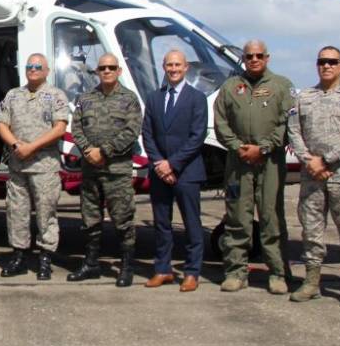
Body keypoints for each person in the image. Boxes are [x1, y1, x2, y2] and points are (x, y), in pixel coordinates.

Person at [286, 46, 340, 306]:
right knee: (311, 231)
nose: (327, 66)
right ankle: (311, 282)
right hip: (312, 177)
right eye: (322, 61)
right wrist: (309, 160)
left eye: (332, 62)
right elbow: (293, 131)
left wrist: (326, 159)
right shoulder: (304, 97)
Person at [213, 40, 295, 295]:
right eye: (249, 56)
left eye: (259, 55)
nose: (254, 59)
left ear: (267, 58)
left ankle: (278, 272)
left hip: (270, 161)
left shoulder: (281, 86)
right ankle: (236, 271)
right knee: (237, 217)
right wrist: (238, 146)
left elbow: (288, 122)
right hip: (238, 162)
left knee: (271, 217)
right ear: (244, 59)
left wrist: (265, 148)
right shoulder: (230, 87)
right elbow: (221, 122)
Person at [67, 53, 143, 286]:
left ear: (119, 71)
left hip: (117, 170)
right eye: (102, 68)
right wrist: (89, 150)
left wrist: (105, 151)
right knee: (90, 218)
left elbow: (131, 131)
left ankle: (126, 266)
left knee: (123, 219)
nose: (107, 71)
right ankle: (91, 264)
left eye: (111, 67)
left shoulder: (129, 99)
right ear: (97, 72)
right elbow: (76, 127)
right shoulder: (85, 98)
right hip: (90, 170)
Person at [0, 53, 70, 280]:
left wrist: (33, 147)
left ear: (47, 71)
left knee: (46, 214)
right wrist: (17, 144)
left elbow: (59, 128)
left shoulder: (56, 95)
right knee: (16, 213)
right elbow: (2, 124)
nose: (33, 69)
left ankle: (45, 258)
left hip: (44, 166)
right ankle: (19, 256)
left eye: (38, 66)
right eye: (29, 66)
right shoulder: (13, 95)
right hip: (18, 167)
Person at [141, 49, 208, 292]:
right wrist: (160, 163)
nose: (173, 69)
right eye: (169, 65)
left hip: (187, 172)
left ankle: (192, 272)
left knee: (191, 224)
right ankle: (163, 269)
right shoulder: (154, 98)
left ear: (186, 67)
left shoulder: (197, 98)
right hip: (160, 172)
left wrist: (173, 163)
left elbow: (197, 136)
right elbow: (147, 134)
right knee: (162, 224)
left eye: (178, 65)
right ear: (163, 67)